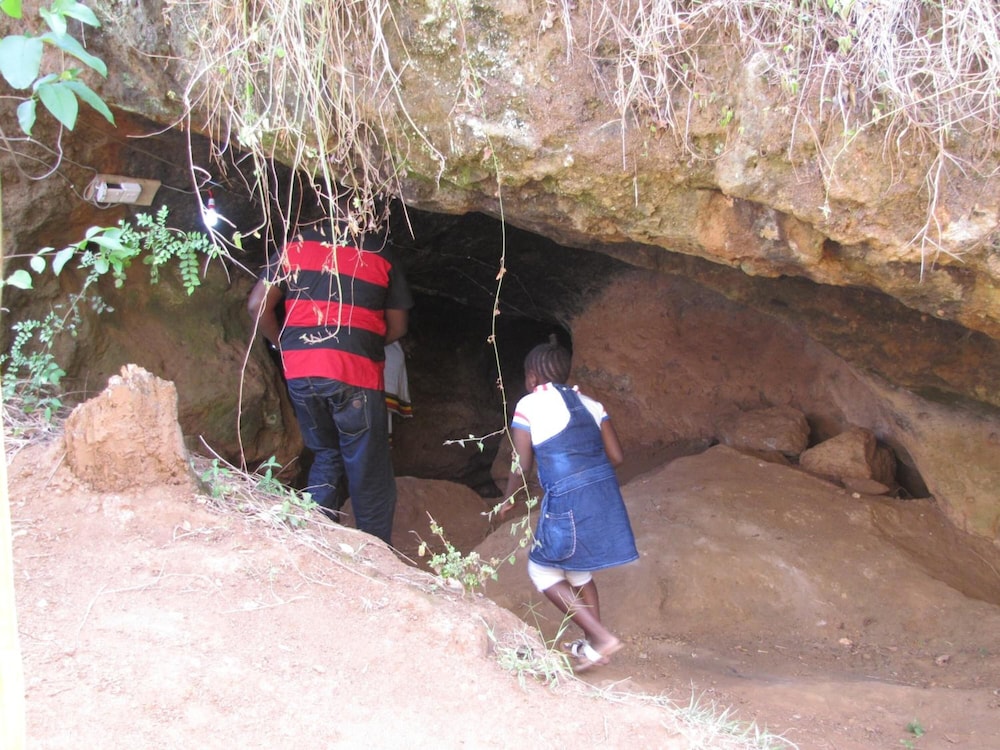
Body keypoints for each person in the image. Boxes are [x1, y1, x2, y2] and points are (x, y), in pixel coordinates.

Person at [247, 205, 413, 546]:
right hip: (354, 374)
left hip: (301, 372)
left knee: (326, 453)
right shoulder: (379, 252)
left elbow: (256, 305)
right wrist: (360, 344)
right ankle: (374, 553)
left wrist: (283, 345)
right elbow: (398, 326)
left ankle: (314, 542)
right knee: (368, 469)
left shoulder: (295, 247)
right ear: (366, 215)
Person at [500, 337, 638, 672]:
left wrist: (508, 499)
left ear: (532, 378)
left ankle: (601, 638)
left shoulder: (529, 404)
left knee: (542, 569)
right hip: (603, 495)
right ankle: (593, 647)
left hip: (567, 498)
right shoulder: (591, 404)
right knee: (578, 570)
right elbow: (617, 456)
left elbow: (521, 463)